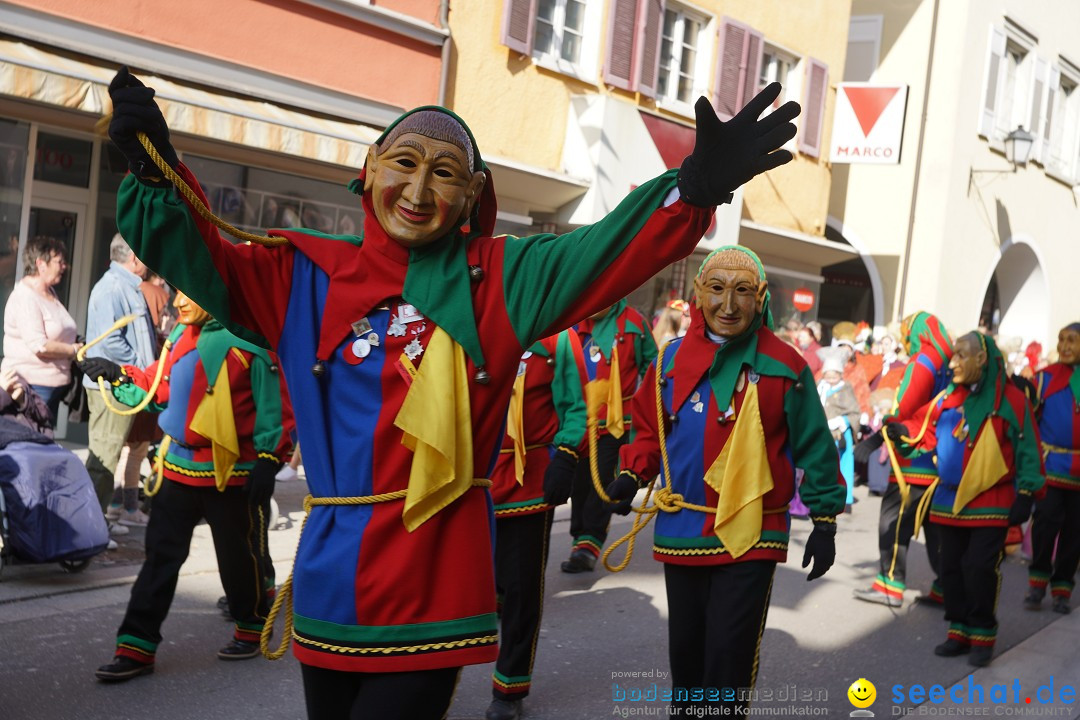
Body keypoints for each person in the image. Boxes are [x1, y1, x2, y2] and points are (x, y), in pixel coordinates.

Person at [106, 65, 799, 718]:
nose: (417, 191)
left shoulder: (503, 278)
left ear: (472, 197)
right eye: (404, 163)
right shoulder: (302, 276)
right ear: (369, 171)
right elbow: (197, 252)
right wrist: (151, 168)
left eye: (444, 174)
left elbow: (607, 249)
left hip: (434, 587)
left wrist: (694, 187)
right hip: (330, 581)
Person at [606, 246, 845, 715]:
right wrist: (633, 472)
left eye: (741, 292)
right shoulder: (669, 361)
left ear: (759, 298)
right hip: (683, 528)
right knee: (688, 654)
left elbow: (816, 444)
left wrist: (825, 519)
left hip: (753, 531)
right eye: (716, 290)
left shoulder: (785, 365)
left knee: (728, 658)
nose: (728, 305)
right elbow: (649, 427)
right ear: (698, 293)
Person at [87, 290, 293, 681]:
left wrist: (269, 457)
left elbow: (275, 405)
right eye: (175, 291)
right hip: (176, 469)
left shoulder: (251, 340)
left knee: (238, 559)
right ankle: (136, 647)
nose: (178, 301)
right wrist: (117, 374)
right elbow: (157, 391)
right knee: (159, 562)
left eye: (188, 292)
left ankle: (250, 625)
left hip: (230, 474)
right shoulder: (182, 335)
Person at [884, 332, 1044, 667]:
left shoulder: (1012, 401)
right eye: (953, 355)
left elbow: (1028, 447)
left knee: (980, 568)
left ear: (982, 360)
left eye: (961, 356)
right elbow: (924, 433)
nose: (952, 362)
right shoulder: (946, 398)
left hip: (992, 501)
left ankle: (982, 632)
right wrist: (901, 434)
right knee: (950, 568)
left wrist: (1027, 492)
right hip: (947, 500)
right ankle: (958, 630)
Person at [486, 329, 587, 720]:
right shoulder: (470, 319)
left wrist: (565, 453)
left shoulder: (560, 337)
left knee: (522, 587)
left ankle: (509, 686)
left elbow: (575, 405)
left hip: (528, 482)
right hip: (469, 480)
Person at [853, 312, 953, 608]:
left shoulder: (924, 361)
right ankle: (947, 585)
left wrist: (877, 438)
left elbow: (906, 408)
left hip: (912, 458)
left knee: (893, 524)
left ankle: (890, 583)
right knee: (934, 529)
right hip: (938, 458)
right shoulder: (947, 363)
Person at [562, 298, 657, 573]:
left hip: (618, 422)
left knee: (601, 480)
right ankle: (579, 538)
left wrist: (645, 407)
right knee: (579, 484)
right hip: (579, 419)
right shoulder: (573, 321)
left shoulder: (634, 323)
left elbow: (652, 368)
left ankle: (589, 544)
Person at [83, 234, 158, 536]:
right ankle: (89, 527)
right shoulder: (113, 287)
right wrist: (140, 365)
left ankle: (95, 522)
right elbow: (110, 341)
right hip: (109, 387)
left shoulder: (126, 286)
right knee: (104, 457)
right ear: (134, 259)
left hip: (121, 385)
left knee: (110, 456)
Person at [1025, 322, 1080, 615]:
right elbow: (1027, 423)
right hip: (1052, 467)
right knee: (1045, 527)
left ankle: (1062, 589)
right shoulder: (1043, 380)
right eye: (1061, 340)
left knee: (1075, 534)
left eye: (1072, 340)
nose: (1065, 346)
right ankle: (1037, 582)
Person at [0, 235, 82, 425]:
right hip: (31, 387)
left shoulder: (49, 293)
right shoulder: (25, 297)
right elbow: (39, 345)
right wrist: (73, 350)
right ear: (40, 264)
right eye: (59, 262)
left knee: (42, 442)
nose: (64, 267)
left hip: (52, 386)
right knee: (30, 444)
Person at [817, 347, 860, 511]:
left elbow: (854, 411)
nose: (831, 379)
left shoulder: (845, 388)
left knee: (844, 466)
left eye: (834, 376)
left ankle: (845, 498)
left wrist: (842, 421)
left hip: (840, 434)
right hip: (823, 434)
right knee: (824, 466)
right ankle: (824, 496)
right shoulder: (821, 387)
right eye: (828, 376)